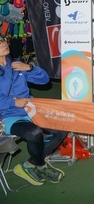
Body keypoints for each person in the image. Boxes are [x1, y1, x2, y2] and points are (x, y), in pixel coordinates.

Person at [0, 36, 67, 186]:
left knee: (61, 127)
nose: (4, 44)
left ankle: (30, 164)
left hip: (31, 111)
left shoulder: (16, 64)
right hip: (8, 116)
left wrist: (29, 68)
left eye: (3, 40)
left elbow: (44, 80)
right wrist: (13, 102)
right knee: (34, 132)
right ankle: (41, 165)